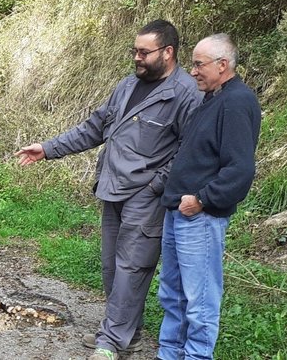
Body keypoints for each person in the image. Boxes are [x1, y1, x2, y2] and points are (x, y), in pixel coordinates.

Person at [15, 20, 201, 359]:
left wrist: (156, 185)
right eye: (135, 51)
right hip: (112, 188)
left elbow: (189, 152)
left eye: (144, 52)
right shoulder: (127, 86)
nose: (137, 58)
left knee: (134, 265)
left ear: (168, 53)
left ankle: (110, 342)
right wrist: (48, 148)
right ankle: (128, 335)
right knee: (112, 267)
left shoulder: (186, 94)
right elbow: (93, 128)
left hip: (146, 196)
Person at [156, 33, 261, 360]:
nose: (193, 71)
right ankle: (169, 354)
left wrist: (201, 199)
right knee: (172, 295)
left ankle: (197, 356)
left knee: (199, 300)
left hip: (198, 217)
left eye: (199, 64)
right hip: (178, 213)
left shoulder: (237, 101)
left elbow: (240, 170)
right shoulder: (213, 98)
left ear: (223, 65)